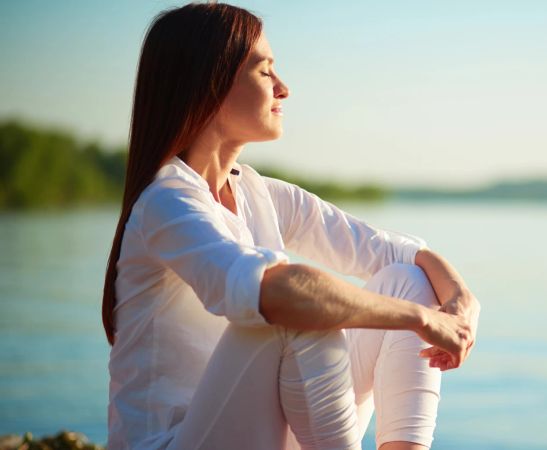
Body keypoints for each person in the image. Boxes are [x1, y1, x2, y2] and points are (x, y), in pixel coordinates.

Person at [101, 3, 481, 450]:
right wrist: (421, 320)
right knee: (294, 310)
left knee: (404, 281)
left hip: (257, 433)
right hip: (175, 443)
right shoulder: (167, 201)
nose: (284, 88)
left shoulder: (260, 194)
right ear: (209, 85)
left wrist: (460, 301)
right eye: (265, 72)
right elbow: (279, 293)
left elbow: (398, 254)